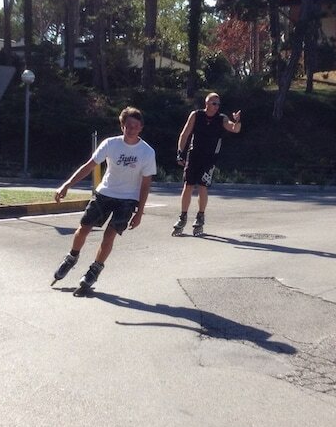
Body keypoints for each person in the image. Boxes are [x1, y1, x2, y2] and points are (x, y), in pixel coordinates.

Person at [52, 106, 157, 295]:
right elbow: (89, 166)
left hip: (127, 199)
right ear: (122, 126)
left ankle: (94, 270)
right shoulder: (110, 144)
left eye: (135, 126)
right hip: (105, 193)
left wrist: (140, 213)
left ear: (141, 127)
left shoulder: (147, 152)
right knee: (84, 228)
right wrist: (67, 184)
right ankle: (71, 258)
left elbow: (145, 185)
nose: (131, 129)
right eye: (128, 125)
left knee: (109, 235)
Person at [172, 92, 241, 236]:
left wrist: (237, 121)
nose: (216, 106)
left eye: (218, 104)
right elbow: (184, 134)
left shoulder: (222, 118)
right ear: (207, 103)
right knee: (188, 185)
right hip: (194, 155)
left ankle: (200, 216)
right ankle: (182, 216)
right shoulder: (196, 115)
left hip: (210, 158)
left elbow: (234, 129)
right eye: (214, 103)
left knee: (203, 186)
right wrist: (180, 152)